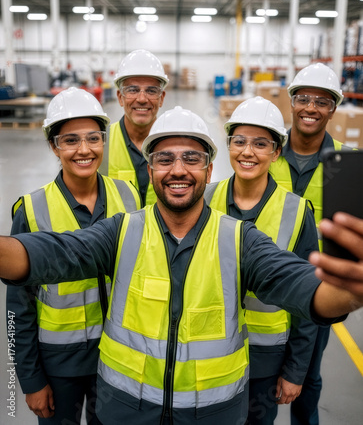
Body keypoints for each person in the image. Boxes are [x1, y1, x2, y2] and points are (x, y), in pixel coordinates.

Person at [0, 106, 361, 425]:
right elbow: (48, 253)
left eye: (191, 158)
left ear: (207, 168)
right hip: (125, 411)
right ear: (150, 167)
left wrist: (347, 290)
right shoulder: (121, 231)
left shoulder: (239, 240)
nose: (178, 170)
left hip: (212, 413)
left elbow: (306, 290)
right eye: (164, 158)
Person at [6, 88, 141, 424]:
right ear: (54, 146)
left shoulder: (129, 196)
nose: (84, 150)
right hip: (58, 365)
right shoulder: (32, 210)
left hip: (118, 357)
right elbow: (17, 308)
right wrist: (31, 379)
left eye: (93, 138)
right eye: (70, 140)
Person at [204, 97, 319, 424]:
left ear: (276, 151)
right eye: (239, 141)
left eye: (260, 143)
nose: (247, 152)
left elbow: (308, 297)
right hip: (207, 354)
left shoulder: (296, 212)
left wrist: (295, 370)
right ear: (228, 145)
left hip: (265, 360)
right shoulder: (206, 200)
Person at [268, 62, 350, 425]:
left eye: (322, 101)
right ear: (291, 102)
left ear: (333, 108)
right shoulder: (266, 154)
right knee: (262, 372)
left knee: (309, 375)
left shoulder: (347, 163)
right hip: (265, 281)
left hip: (319, 287)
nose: (311, 108)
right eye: (303, 98)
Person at [99, 48, 168, 206]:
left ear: (161, 98)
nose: (142, 99)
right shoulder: (100, 142)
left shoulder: (175, 143)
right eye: (132, 90)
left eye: (151, 91)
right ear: (120, 97)